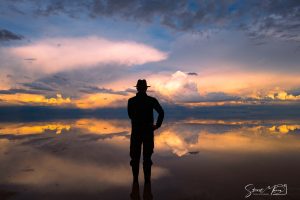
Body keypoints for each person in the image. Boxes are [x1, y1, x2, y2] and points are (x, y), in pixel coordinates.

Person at [128, 79, 164, 184]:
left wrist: (138, 122)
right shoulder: (151, 100)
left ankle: (135, 182)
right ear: (146, 88)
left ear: (137, 88)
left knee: (135, 158)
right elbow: (161, 112)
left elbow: (130, 116)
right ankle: (147, 183)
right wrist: (157, 125)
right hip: (148, 132)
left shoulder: (131, 101)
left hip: (136, 132)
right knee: (147, 159)